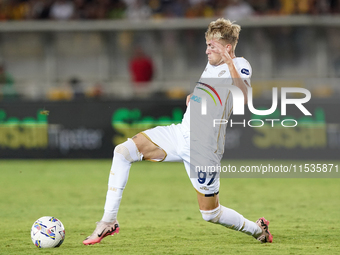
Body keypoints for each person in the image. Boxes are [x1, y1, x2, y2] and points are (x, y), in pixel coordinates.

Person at [83, 18, 273, 245]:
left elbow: (244, 98)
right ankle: (108, 221)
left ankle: (258, 230)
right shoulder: (211, 64)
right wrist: (194, 99)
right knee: (123, 152)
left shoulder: (240, 64)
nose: (206, 50)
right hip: (180, 133)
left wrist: (228, 61)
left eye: (211, 46)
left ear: (227, 48)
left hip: (203, 149)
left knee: (210, 214)